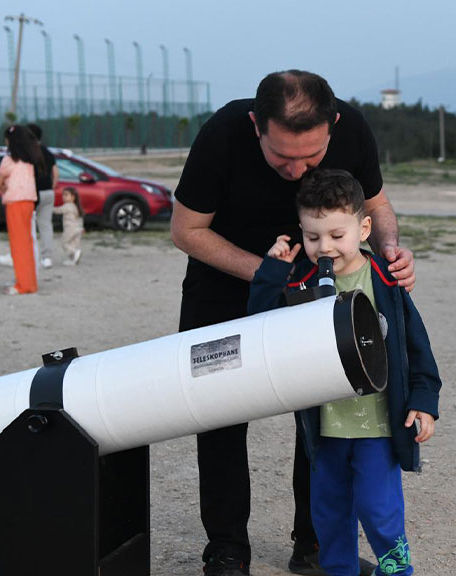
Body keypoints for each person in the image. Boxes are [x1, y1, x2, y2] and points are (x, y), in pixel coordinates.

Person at [170, 70, 415, 576]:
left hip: (316, 290)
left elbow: (377, 204)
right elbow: (187, 230)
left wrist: (389, 248)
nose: (298, 170)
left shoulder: (353, 131)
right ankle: (227, 550)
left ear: (334, 125)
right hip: (223, 286)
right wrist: (270, 274)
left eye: (312, 155)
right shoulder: (221, 135)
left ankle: (315, 545)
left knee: (320, 410)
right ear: (257, 125)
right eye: (283, 156)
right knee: (218, 418)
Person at [248, 169, 441, 576]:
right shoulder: (299, 283)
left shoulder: (386, 282)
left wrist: (424, 402)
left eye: (337, 235)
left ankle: (397, 572)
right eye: (313, 236)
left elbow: (416, 347)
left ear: (364, 227)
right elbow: (261, 330)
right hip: (326, 431)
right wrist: (270, 274)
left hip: (378, 429)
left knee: (379, 512)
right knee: (330, 517)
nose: (325, 247)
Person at [0, 125, 42, 295]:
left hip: (15, 203)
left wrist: (4, 187)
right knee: (27, 243)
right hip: (28, 202)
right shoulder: (29, 159)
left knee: (18, 245)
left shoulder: (8, 160)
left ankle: (23, 285)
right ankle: (29, 282)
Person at [27, 123, 59, 269]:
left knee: (29, 226)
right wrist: (51, 187)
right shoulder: (47, 151)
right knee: (46, 226)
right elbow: (55, 173)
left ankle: (29, 255)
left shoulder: (27, 152)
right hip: (48, 192)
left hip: (33, 194)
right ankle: (47, 258)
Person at [52, 186, 84, 266]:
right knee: (74, 243)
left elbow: (58, 210)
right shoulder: (76, 207)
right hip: (78, 228)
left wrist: (49, 208)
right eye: (63, 195)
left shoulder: (68, 206)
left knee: (65, 243)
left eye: (66, 195)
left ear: (73, 197)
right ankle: (73, 260)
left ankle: (74, 252)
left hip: (70, 229)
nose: (64, 197)